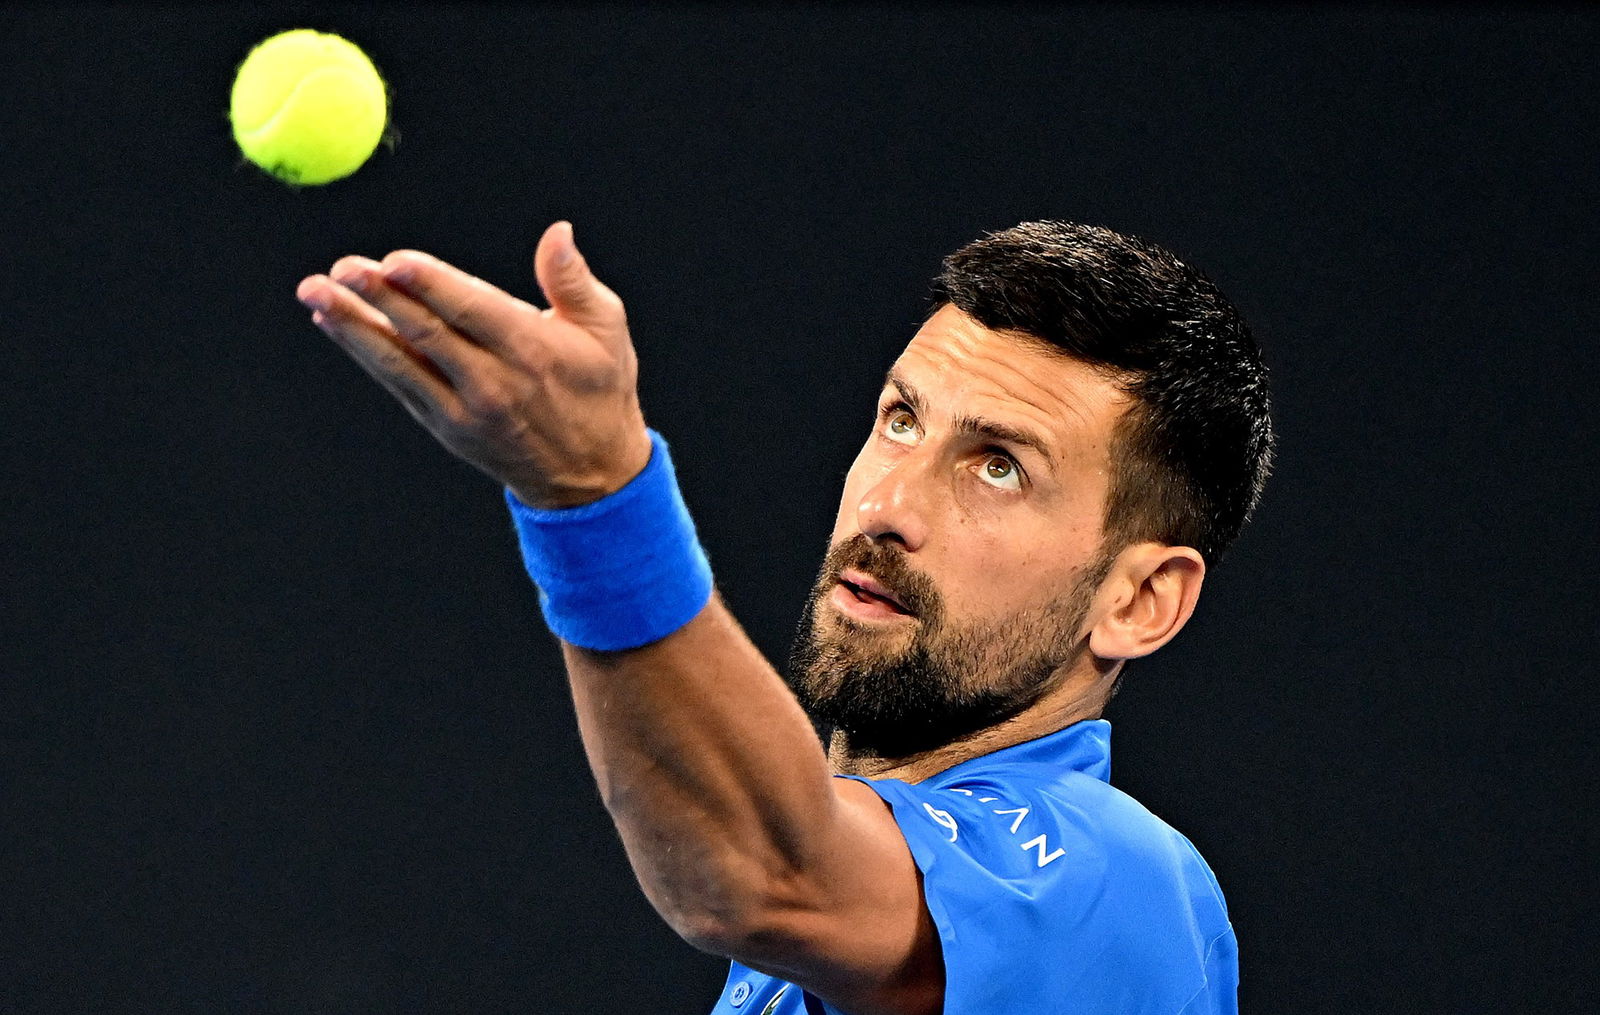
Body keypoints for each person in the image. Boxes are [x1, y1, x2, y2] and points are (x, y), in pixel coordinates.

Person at [295, 218, 1273, 1015]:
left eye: (998, 467)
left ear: (1139, 600)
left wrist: (594, 492)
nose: (888, 505)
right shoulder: (824, 961)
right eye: (900, 419)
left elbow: (762, 874)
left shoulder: (1116, 886)